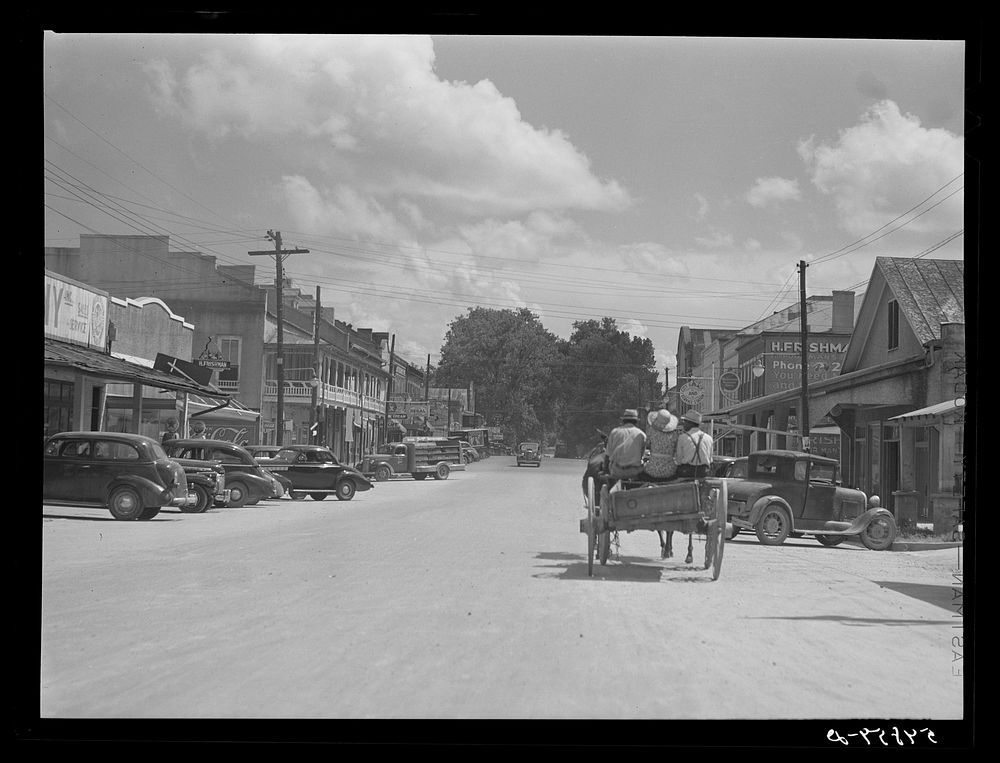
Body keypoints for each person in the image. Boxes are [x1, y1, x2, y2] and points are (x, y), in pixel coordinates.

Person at [604, 409, 647, 482]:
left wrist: (605, 471)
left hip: (617, 471)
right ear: (636, 421)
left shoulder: (615, 432)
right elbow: (641, 456)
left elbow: (607, 456)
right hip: (635, 472)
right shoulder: (642, 435)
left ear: (623, 420)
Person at [638, 407, 679, 482]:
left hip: (652, 470)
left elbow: (646, 444)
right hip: (670, 470)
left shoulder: (651, 431)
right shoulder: (675, 434)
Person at [674, 410, 713, 479]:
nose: (683, 424)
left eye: (685, 422)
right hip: (703, 472)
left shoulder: (683, 437)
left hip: (686, 471)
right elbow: (710, 459)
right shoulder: (709, 438)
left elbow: (678, 460)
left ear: (690, 423)